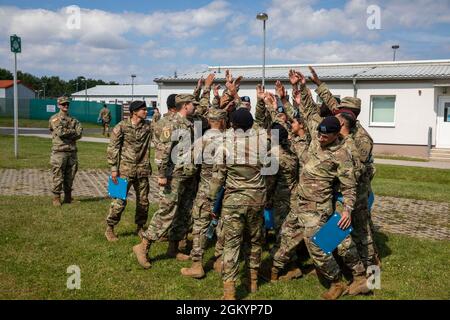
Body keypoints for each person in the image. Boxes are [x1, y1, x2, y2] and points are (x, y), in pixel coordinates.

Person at [133, 94, 200, 268]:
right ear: (185, 105)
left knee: (183, 212)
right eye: (193, 104)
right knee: (167, 211)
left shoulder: (188, 123)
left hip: (186, 175)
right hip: (174, 175)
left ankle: (174, 247)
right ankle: (144, 245)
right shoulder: (172, 124)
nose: (195, 106)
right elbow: (163, 151)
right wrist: (162, 174)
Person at [180, 108, 228, 279]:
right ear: (222, 122)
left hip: (206, 191)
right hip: (227, 191)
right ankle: (220, 260)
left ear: (210, 121)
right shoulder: (231, 140)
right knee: (224, 226)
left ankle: (197, 265)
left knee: (200, 226)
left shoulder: (202, 141)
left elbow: (189, 167)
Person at [104, 100, 152, 242]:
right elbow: (113, 148)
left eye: (145, 109)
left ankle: (140, 227)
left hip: (142, 171)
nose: (145, 111)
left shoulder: (148, 126)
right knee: (118, 201)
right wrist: (113, 169)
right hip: (123, 171)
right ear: (134, 112)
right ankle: (110, 228)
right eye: (143, 109)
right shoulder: (121, 126)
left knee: (143, 202)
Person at [48, 96, 83, 207]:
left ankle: (68, 197)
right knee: (58, 175)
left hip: (72, 152)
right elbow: (60, 132)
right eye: (63, 104)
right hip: (59, 152)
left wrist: (69, 132)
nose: (66, 106)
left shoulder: (74, 120)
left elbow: (80, 133)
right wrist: (72, 132)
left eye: (67, 104)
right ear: (59, 105)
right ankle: (56, 198)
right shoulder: (54, 119)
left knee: (70, 175)